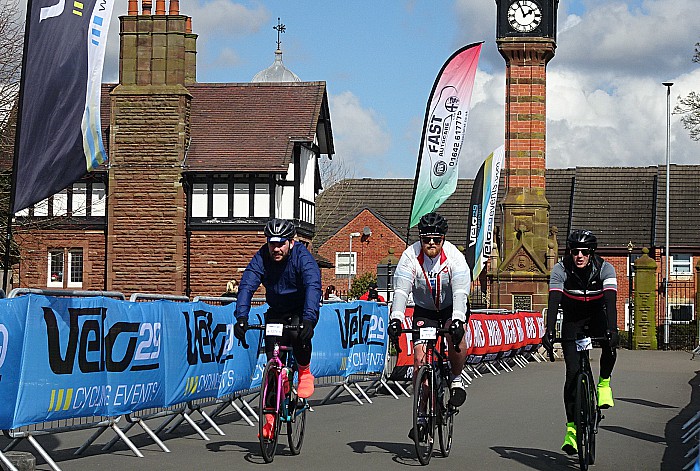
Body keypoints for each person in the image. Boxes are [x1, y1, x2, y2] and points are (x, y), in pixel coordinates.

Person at [233, 218, 322, 439]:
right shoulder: (262, 256)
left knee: (295, 334)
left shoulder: (303, 258)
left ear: (290, 242)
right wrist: (241, 317)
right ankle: (270, 419)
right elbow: (247, 284)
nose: (276, 249)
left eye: (280, 243)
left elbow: (313, 285)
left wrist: (310, 319)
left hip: (300, 309)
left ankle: (304, 372)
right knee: (273, 363)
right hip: (276, 310)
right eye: (272, 244)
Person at [386, 212, 471, 439]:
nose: (431, 243)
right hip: (425, 310)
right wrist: (395, 318)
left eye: (436, 239)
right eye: (426, 239)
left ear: (443, 239)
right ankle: (422, 414)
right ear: (420, 239)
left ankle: (456, 379)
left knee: (457, 337)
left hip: (451, 307)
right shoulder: (409, 256)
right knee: (419, 358)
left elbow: (461, 291)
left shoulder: (455, 258)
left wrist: (459, 321)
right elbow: (402, 291)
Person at [541, 229, 619, 456]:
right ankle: (572, 430)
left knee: (610, 344)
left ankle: (604, 383)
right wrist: (549, 330)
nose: (580, 256)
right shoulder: (560, 269)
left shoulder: (605, 268)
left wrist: (612, 330)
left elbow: (611, 302)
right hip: (572, 321)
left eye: (585, 252)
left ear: (592, 253)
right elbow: (554, 301)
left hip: (596, 316)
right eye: (575, 252)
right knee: (573, 374)